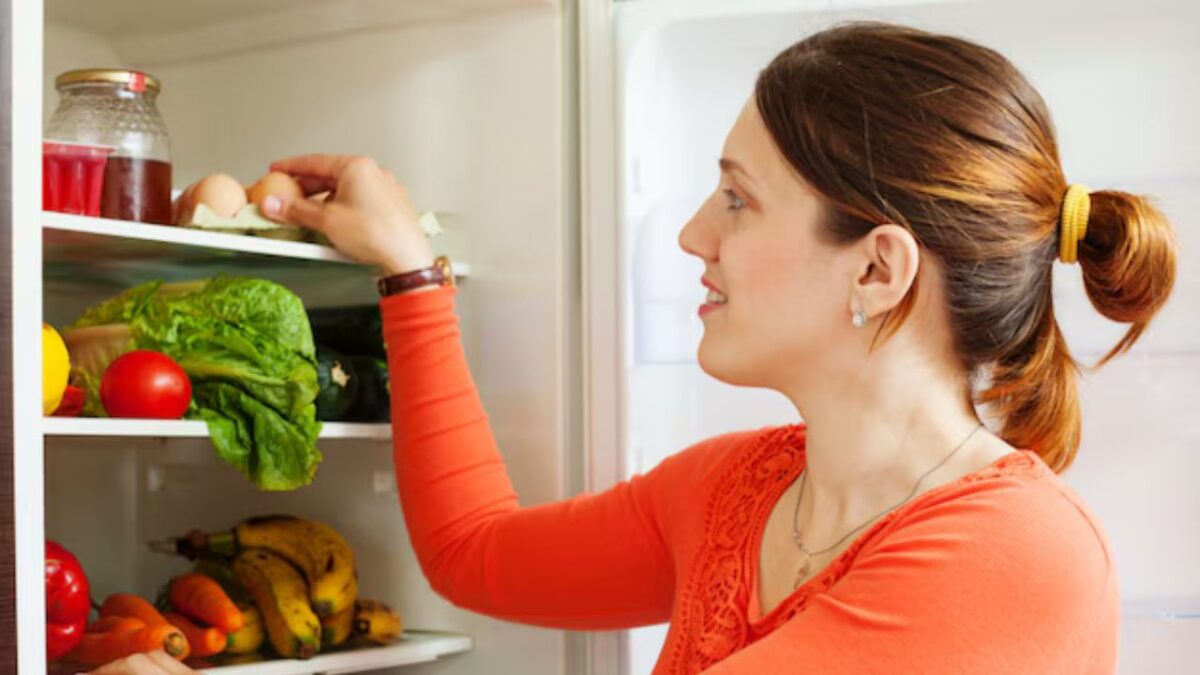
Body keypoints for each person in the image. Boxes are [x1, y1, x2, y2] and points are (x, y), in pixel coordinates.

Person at [94, 21, 1176, 675]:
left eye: (738, 201)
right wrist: (408, 275)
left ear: (878, 269)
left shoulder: (1011, 557)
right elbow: (477, 551)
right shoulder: (740, 490)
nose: (694, 233)